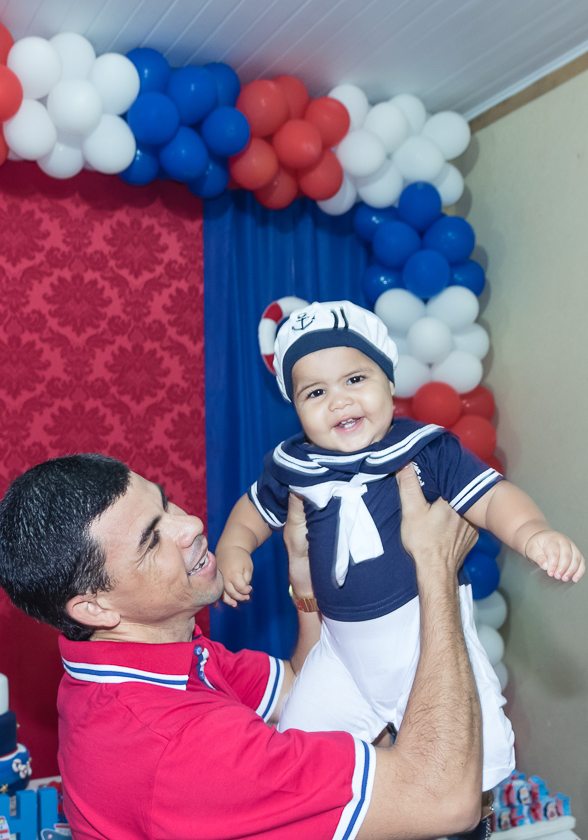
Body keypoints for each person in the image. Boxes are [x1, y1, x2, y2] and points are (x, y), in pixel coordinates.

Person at [0, 452, 486, 840]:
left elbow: (301, 688)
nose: (191, 526)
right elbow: (444, 799)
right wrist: (435, 571)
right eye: (150, 540)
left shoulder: (149, 658)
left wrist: (305, 584)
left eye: (164, 503)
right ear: (94, 609)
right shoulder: (177, 747)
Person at [217, 299, 584, 793]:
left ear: (389, 383)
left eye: (355, 380)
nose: (339, 401)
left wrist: (533, 533)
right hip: (340, 652)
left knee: (473, 766)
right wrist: (234, 549)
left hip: (424, 637)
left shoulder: (424, 450)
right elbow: (250, 512)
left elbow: (493, 499)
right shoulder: (294, 467)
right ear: (295, 406)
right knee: (298, 756)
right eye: (316, 392)